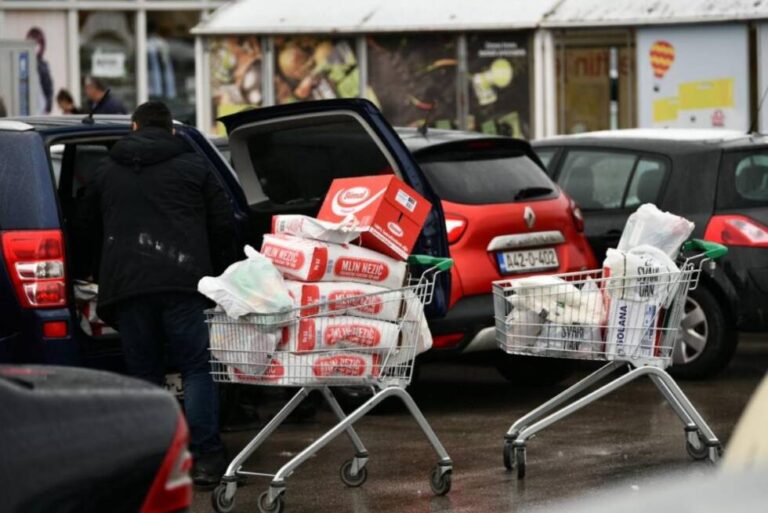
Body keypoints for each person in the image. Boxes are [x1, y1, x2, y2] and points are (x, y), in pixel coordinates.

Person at [79, 101, 237, 486]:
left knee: (144, 373)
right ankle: (207, 460)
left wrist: (94, 270)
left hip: (129, 288)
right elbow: (225, 223)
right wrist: (221, 277)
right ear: (171, 131)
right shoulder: (194, 167)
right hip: (185, 284)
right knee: (198, 368)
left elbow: (83, 224)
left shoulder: (105, 171)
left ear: (133, 127)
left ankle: (157, 462)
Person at [26, 27, 53, 115]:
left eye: (37, 43)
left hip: (41, 110)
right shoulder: (24, 63)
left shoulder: (43, 66)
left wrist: (47, 107)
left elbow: (48, 89)